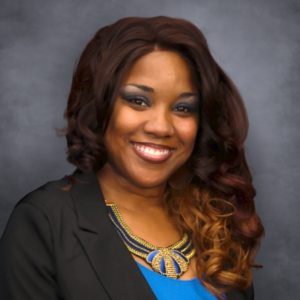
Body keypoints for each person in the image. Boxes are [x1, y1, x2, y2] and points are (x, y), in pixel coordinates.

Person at [0, 16, 264, 300]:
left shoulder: (217, 221)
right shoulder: (44, 221)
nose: (161, 126)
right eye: (138, 101)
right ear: (99, 105)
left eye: (183, 108)